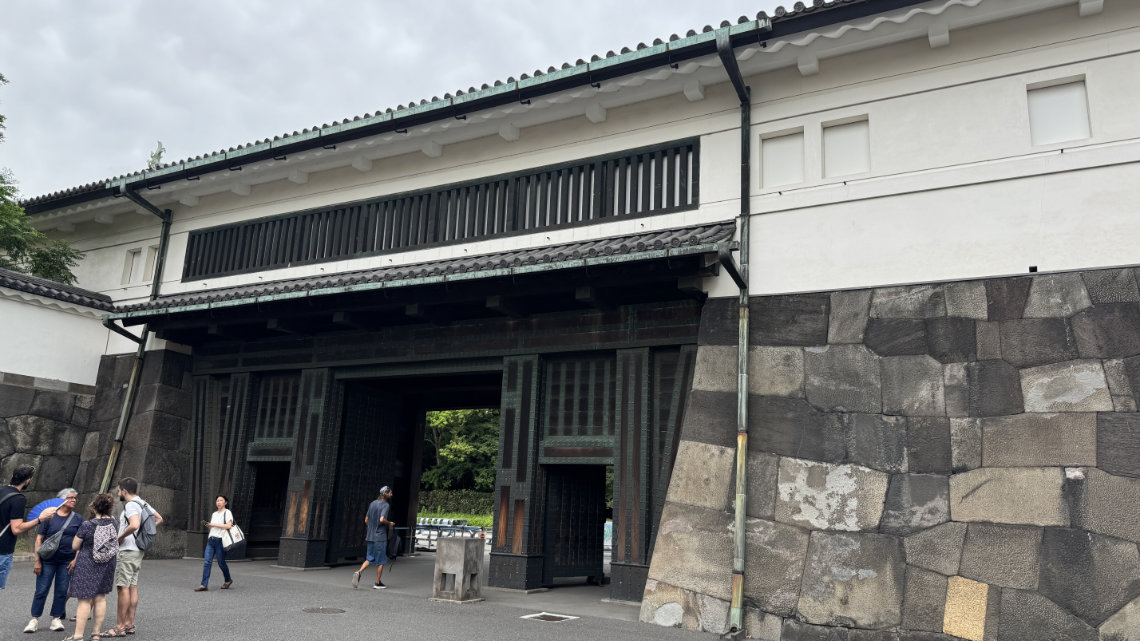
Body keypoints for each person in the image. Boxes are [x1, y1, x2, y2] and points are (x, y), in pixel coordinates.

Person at [103, 477, 163, 638]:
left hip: (128, 551)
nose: (117, 492)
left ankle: (119, 627)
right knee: (132, 586)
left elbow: (134, 524)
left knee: (123, 587)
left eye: (118, 490)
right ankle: (129, 624)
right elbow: (159, 518)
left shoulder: (130, 505)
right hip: (138, 551)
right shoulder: (143, 503)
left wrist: (120, 537)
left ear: (124, 490)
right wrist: (143, 532)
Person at [24, 488, 81, 633]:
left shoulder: (78, 518)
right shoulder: (49, 516)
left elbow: (81, 541)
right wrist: (37, 561)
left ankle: (56, 618)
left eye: (75, 498)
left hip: (67, 560)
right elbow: (39, 539)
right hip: (47, 560)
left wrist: (76, 559)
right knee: (41, 590)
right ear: (62, 500)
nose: (74, 500)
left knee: (62, 590)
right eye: (70, 498)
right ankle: (34, 619)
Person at [64, 493, 117, 641]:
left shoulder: (87, 525)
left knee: (84, 600)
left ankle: (78, 636)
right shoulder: (114, 523)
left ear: (94, 506)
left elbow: (75, 545)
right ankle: (96, 634)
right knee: (100, 597)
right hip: (107, 561)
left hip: (88, 562)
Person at [1, 464, 58, 590]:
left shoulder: (2, 491)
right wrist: (40, 519)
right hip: (2, 550)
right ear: (28, 480)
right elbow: (16, 528)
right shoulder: (18, 499)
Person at [351, 486, 395, 590]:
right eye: (390, 493)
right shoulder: (385, 505)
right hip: (380, 537)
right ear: (386, 494)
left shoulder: (372, 503)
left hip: (370, 536)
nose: (392, 494)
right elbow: (382, 519)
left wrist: (371, 528)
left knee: (369, 558)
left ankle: (359, 572)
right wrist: (390, 523)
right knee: (381, 560)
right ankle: (377, 582)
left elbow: (366, 520)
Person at [194, 495, 234, 591]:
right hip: (211, 540)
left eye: (221, 500)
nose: (218, 502)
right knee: (207, 562)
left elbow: (228, 526)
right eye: (217, 500)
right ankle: (204, 585)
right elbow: (213, 527)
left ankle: (228, 580)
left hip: (220, 541)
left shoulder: (227, 512)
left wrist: (213, 524)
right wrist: (209, 525)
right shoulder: (214, 514)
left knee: (221, 562)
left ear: (225, 503)